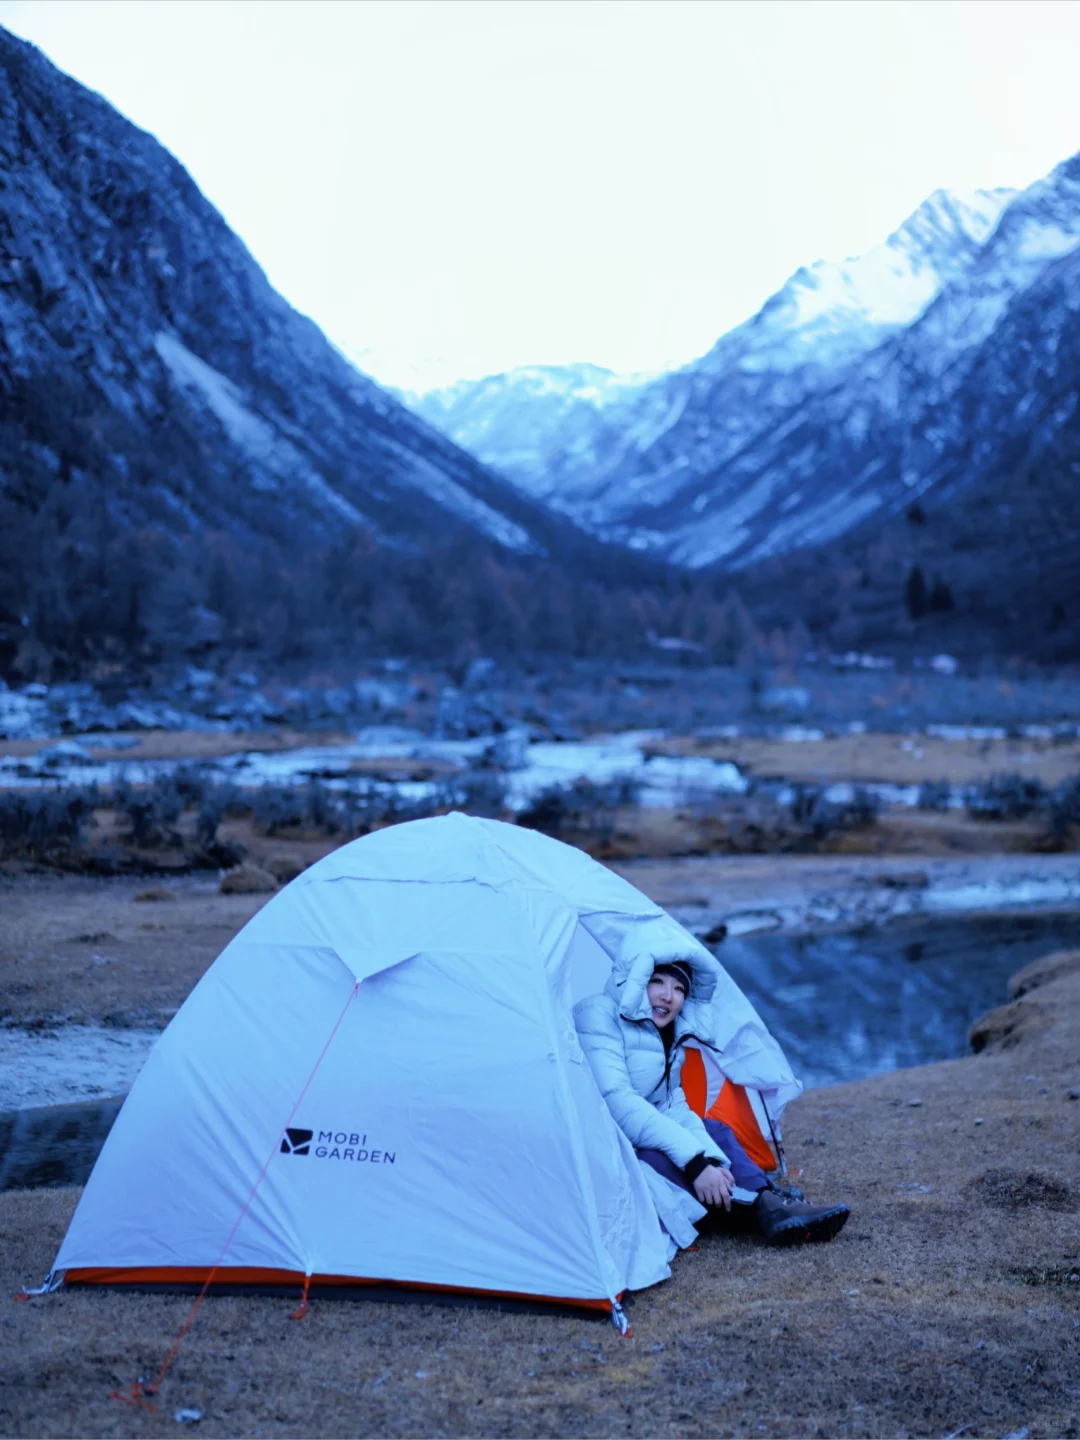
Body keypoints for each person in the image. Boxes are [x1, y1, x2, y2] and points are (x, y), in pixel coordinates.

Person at [574, 956, 850, 1247]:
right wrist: (696, 1165)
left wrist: (711, 1162)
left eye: (679, 988)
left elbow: (672, 1106)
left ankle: (765, 1198)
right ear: (636, 981)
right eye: (657, 982)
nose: (668, 996)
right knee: (656, 1160)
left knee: (714, 1130)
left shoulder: (668, 1030)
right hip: (601, 1143)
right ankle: (758, 1210)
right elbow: (619, 1104)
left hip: (638, 1133)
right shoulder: (598, 1014)